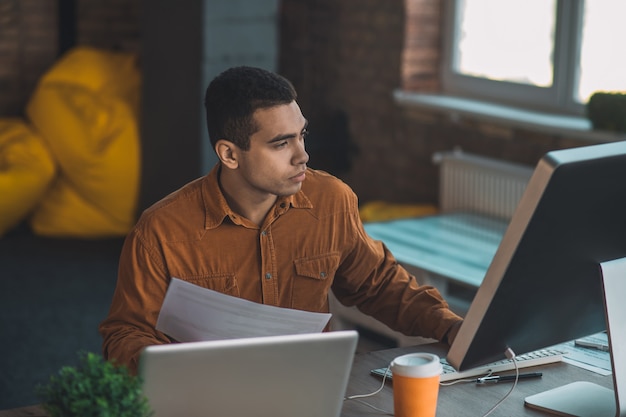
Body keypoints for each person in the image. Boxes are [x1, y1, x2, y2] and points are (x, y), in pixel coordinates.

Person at [99, 66, 463, 373]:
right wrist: (179, 371)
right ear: (229, 154)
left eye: (302, 135)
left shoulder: (331, 200)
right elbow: (126, 335)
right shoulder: (161, 231)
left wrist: (452, 328)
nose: (302, 155)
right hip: (210, 400)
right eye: (281, 143)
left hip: (312, 390)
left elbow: (378, 285)